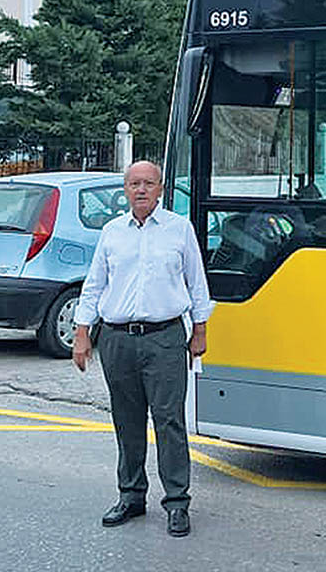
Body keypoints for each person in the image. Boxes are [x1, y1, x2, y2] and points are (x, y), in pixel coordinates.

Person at [72, 160, 212, 538]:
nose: (141, 189)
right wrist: (82, 334)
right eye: (134, 183)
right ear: (125, 189)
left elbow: (197, 285)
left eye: (149, 183)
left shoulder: (179, 230)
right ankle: (131, 496)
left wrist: (200, 331)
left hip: (164, 338)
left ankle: (177, 502)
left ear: (161, 189)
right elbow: (94, 285)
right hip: (117, 339)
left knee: (169, 421)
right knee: (127, 421)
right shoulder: (112, 232)